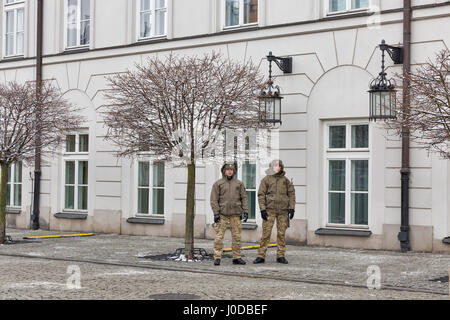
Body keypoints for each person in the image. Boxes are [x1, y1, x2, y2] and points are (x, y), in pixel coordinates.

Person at [254, 159, 296, 264]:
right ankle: (261, 255)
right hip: (269, 211)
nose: (277, 168)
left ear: (281, 167)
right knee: (266, 234)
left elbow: (291, 194)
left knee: (281, 234)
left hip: (283, 211)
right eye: (275, 166)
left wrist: (292, 208)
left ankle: (280, 255)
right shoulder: (266, 180)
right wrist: (262, 209)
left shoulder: (286, 181)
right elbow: (261, 195)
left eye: (279, 166)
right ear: (271, 167)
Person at [210, 163, 249, 266]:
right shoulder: (218, 184)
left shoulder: (239, 184)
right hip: (222, 214)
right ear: (224, 171)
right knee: (219, 237)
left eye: (231, 170)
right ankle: (217, 257)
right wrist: (216, 213)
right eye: (227, 169)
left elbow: (244, 197)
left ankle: (237, 257)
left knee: (237, 237)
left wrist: (245, 211)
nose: (229, 171)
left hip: (236, 214)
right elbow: (214, 199)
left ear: (234, 171)